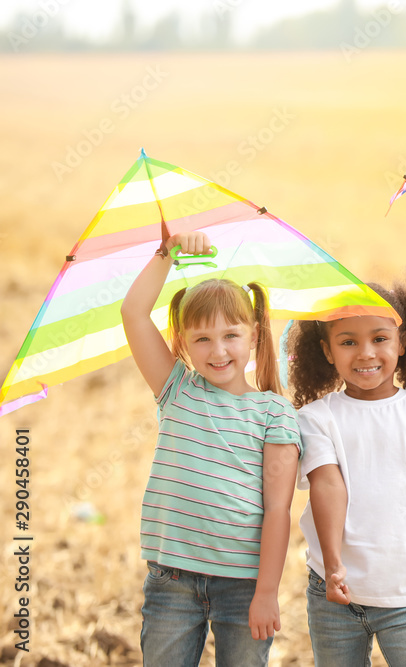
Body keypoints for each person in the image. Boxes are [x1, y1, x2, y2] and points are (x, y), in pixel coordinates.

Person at [121, 232, 301, 666]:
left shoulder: (274, 413)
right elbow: (132, 312)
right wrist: (167, 253)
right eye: (202, 339)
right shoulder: (177, 389)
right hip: (172, 580)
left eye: (231, 336)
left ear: (254, 335)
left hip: (243, 585)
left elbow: (278, 509)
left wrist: (266, 593)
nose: (218, 351)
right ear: (181, 341)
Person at [288, 281, 406, 666]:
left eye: (379, 338)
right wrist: (335, 564)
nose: (366, 353)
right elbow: (326, 485)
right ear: (326, 350)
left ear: (402, 342)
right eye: (348, 342)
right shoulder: (315, 419)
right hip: (334, 593)